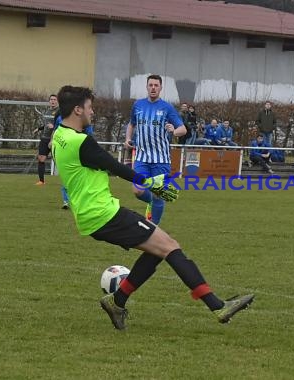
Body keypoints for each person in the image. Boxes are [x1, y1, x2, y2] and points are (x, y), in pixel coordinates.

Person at [51, 85, 254, 330]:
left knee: (158, 249)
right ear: (77, 109)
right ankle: (218, 306)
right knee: (170, 246)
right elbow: (117, 167)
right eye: (90, 108)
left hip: (90, 215)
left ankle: (117, 301)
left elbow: (97, 165)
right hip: (104, 214)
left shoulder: (60, 136)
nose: (92, 112)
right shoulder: (81, 142)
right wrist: (151, 184)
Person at [124, 74, 187, 225]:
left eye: (156, 85)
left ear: (160, 88)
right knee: (138, 190)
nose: (153, 88)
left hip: (161, 159)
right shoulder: (138, 105)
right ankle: (151, 201)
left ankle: (153, 229)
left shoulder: (167, 108)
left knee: (159, 195)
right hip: (142, 157)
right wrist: (127, 139)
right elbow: (132, 124)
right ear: (147, 87)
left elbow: (183, 129)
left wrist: (173, 131)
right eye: (150, 85)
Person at [32, 94, 59, 185]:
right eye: (51, 99)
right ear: (49, 101)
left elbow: (63, 124)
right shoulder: (47, 112)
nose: (53, 101)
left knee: (59, 160)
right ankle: (41, 181)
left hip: (55, 139)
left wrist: (54, 126)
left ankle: (67, 180)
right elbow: (47, 125)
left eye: (54, 99)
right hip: (45, 138)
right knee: (41, 158)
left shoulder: (60, 112)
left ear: (57, 101)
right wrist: (39, 129)